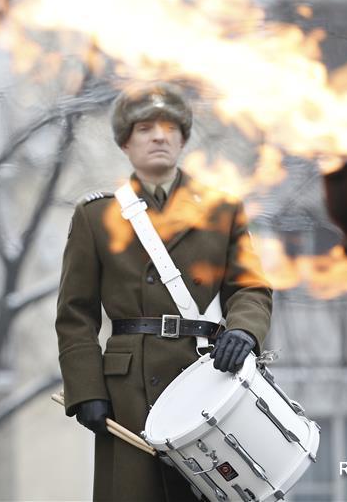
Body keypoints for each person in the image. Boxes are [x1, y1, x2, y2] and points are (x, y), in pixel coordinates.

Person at [55, 84, 273, 501]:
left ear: (183, 138)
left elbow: (250, 287)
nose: (159, 136)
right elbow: (75, 315)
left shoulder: (221, 209)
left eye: (170, 127)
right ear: (126, 142)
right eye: (145, 128)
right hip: (128, 392)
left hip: (205, 378)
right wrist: (87, 390)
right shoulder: (96, 215)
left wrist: (244, 332)